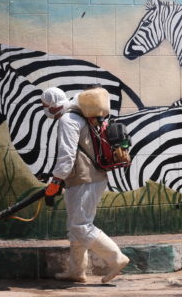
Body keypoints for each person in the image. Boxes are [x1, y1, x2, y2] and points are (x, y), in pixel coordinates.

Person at [41, 86, 129, 284]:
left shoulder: (68, 120)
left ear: (53, 106)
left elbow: (67, 156)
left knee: (80, 225)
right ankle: (77, 271)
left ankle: (116, 258)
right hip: (89, 178)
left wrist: (55, 181)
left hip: (84, 178)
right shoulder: (80, 116)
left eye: (45, 106)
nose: (44, 109)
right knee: (75, 227)